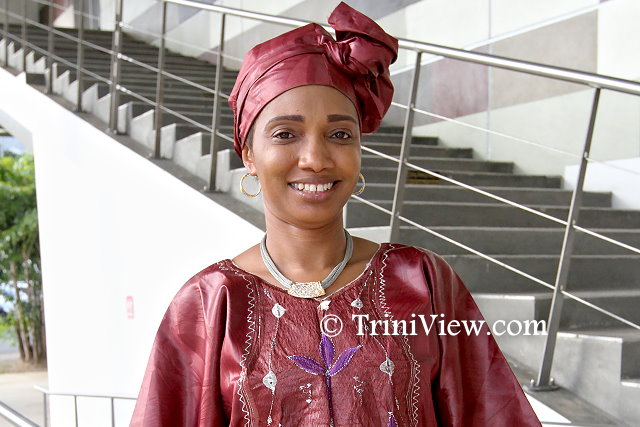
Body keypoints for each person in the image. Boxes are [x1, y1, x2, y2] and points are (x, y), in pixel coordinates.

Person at [130, 3, 542, 426]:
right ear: (249, 153)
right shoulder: (210, 302)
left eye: (340, 134)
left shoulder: (420, 281)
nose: (315, 159)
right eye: (285, 134)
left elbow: (492, 414)